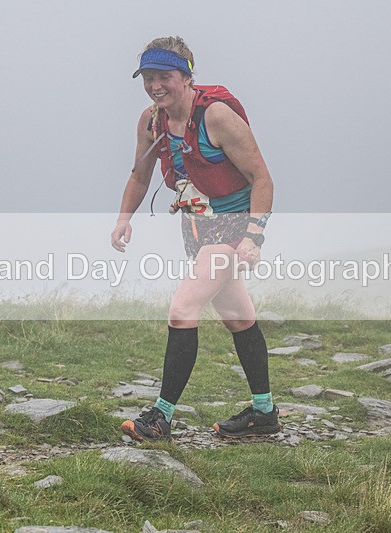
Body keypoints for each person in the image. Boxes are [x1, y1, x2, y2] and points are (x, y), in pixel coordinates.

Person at [111, 36, 278, 442]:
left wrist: (254, 236)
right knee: (238, 317)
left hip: (233, 226)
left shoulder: (216, 117)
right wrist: (123, 219)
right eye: (148, 78)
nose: (155, 86)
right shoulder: (151, 122)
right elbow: (140, 175)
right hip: (198, 228)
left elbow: (262, 178)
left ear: (186, 77)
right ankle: (264, 412)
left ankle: (160, 418)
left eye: (164, 76)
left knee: (183, 309)